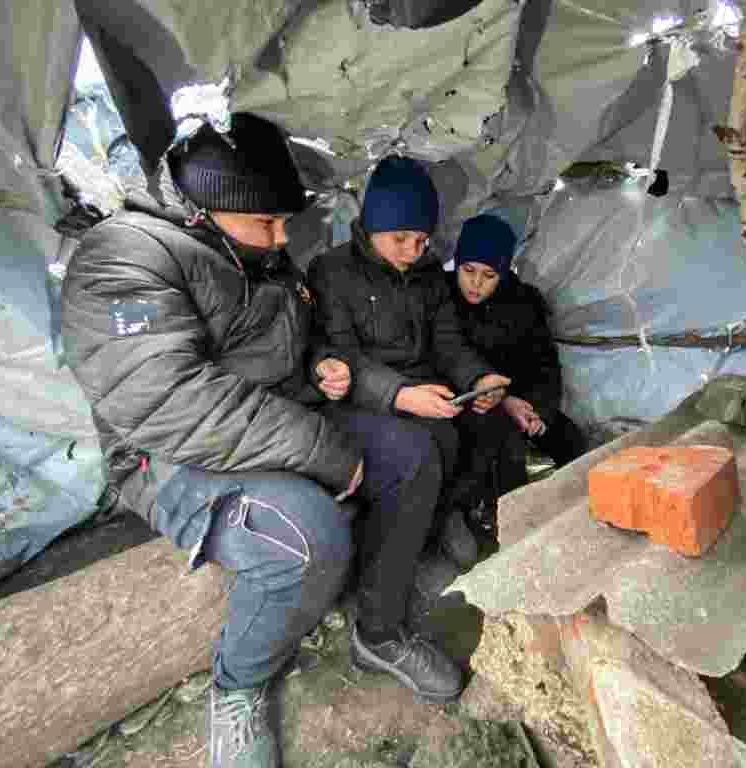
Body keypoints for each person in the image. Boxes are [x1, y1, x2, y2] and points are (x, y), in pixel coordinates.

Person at [60, 113, 464, 768]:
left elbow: (292, 350)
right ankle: (238, 686)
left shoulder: (262, 257)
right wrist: (327, 452)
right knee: (303, 533)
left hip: (276, 422)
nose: (282, 239)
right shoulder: (124, 256)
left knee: (413, 453)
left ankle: (379, 631)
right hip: (169, 454)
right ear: (201, 209)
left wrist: (323, 368)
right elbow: (167, 398)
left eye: (284, 222)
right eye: (267, 224)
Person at [306, 155, 512, 572]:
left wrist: (479, 377)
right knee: (428, 442)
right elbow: (340, 354)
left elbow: (448, 342)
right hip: (363, 396)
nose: (413, 251)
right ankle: (398, 542)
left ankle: (442, 516)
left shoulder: (430, 272)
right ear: (372, 225)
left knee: (486, 423)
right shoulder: (332, 271)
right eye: (401, 238)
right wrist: (401, 395)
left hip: (424, 387)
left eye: (421, 240)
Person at [450, 213, 587, 525]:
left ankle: (576, 518)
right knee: (505, 446)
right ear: (457, 263)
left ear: (503, 273)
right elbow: (449, 363)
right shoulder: (444, 301)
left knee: (570, 439)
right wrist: (503, 401)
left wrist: (539, 410)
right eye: (468, 270)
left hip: (522, 401)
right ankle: (504, 527)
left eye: (489, 275)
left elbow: (544, 365)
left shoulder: (522, 303)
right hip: (472, 404)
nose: (475, 283)